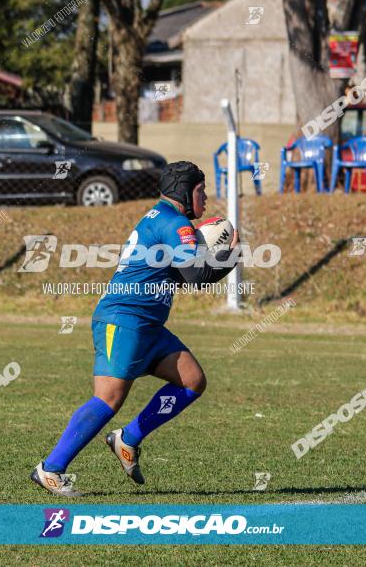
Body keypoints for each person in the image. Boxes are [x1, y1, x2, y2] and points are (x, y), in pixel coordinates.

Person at [31, 161, 240, 496]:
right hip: (124, 319)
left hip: (147, 324)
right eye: (201, 191)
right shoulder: (176, 224)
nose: (206, 198)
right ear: (184, 191)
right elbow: (198, 277)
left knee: (191, 381)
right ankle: (51, 469)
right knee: (108, 398)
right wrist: (232, 255)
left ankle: (127, 439)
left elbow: (176, 274)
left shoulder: (159, 217)